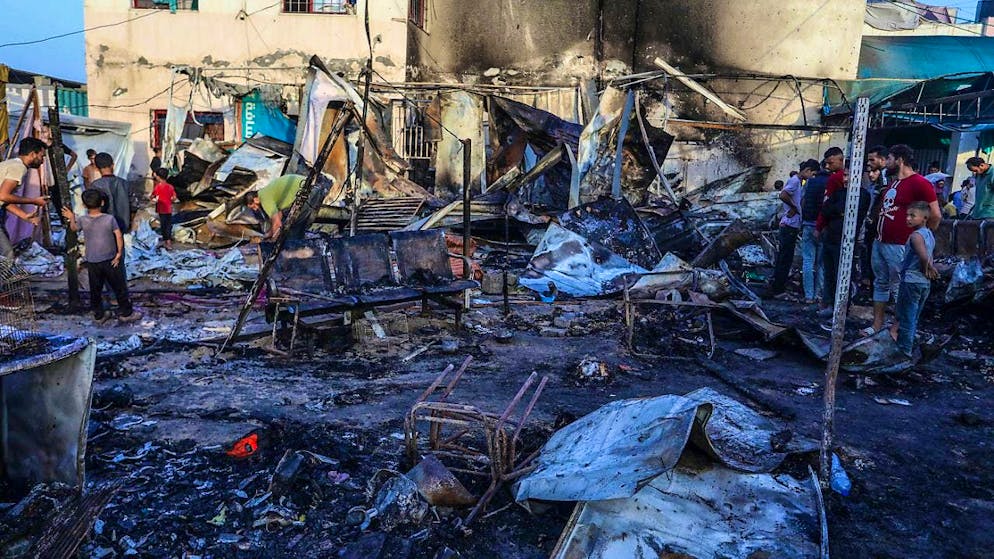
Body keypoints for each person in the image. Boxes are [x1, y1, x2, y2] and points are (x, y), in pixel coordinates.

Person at [867, 144, 941, 336]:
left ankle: (897, 329)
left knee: (900, 286)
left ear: (899, 160)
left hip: (900, 244)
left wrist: (922, 237)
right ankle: (877, 325)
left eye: (890, 159)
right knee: (881, 283)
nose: (887, 163)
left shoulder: (920, 183)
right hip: (880, 241)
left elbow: (935, 215)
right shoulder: (893, 184)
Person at [60, 190, 141, 324]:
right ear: (102, 203)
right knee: (119, 287)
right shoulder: (110, 219)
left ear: (84, 205)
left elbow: (73, 228)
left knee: (95, 290)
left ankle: (99, 315)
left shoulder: (83, 220)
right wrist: (119, 254)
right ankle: (126, 313)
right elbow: (118, 236)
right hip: (110, 259)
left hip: (93, 261)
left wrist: (71, 217)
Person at [818, 161, 870, 328]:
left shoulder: (862, 195)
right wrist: (838, 212)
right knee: (830, 275)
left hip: (846, 242)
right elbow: (826, 210)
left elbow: (850, 212)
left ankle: (841, 311)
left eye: (849, 175)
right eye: (845, 175)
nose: (846, 179)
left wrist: (838, 211)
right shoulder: (839, 192)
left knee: (843, 277)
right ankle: (831, 306)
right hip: (830, 239)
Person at [889, 201, 937, 356]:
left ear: (924, 218)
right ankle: (904, 345)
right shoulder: (929, 234)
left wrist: (925, 268)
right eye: (907, 215)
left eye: (912, 216)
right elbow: (929, 256)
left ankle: (904, 351)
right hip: (923, 283)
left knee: (907, 317)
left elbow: (923, 256)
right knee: (913, 317)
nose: (908, 218)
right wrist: (930, 269)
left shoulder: (916, 236)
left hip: (911, 280)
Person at [769, 159, 819, 298]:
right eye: (813, 174)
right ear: (807, 170)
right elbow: (783, 194)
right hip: (789, 225)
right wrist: (794, 207)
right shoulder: (795, 181)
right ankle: (778, 288)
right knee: (785, 258)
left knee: (785, 257)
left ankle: (778, 285)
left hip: (792, 224)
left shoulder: (799, 182)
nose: (813, 177)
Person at [0, 138, 49, 260]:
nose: (42, 161)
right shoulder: (18, 167)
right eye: (41, 156)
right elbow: (3, 196)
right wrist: (33, 201)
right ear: (32, 154)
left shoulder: (11, 164)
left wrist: (24, 216)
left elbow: (4, 200)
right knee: (7, 253)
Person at [800, 157, 835, 304]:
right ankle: (819, 294)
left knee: (808, 261)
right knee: (821, 263)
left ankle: (809, 296)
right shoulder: (832, 183)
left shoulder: (810, 183)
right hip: (824, 227)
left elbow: (802, 202)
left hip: (808, 225)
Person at [252, 174, 312, 239]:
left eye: (254, 206)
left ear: (255, 200)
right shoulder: (265, 192)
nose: (255, 209)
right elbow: (279, 216)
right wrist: (266, 235)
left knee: (291, 234)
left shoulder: (264, 199)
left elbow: (277, 224)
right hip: (309, 187)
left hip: (305, 192)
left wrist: (273, 240)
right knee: (291, 228)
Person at [90, 152, 131, 233]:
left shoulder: (95, 185)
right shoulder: (124, 183)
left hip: (104, 228)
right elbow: (133, 206)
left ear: (96, 168)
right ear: (112, 165)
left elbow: (93, 209)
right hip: (123, 226)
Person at [150, 167, 178, 250]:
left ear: (158, 177)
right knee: (168, 225)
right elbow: (174, 198)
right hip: (169, 209)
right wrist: (170, 199)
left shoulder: (158, 187)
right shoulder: (170, 187)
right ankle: (168, 243)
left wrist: (153, 199)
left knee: (163, 226)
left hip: (161, 209)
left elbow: (152, 196)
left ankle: (166, 242)